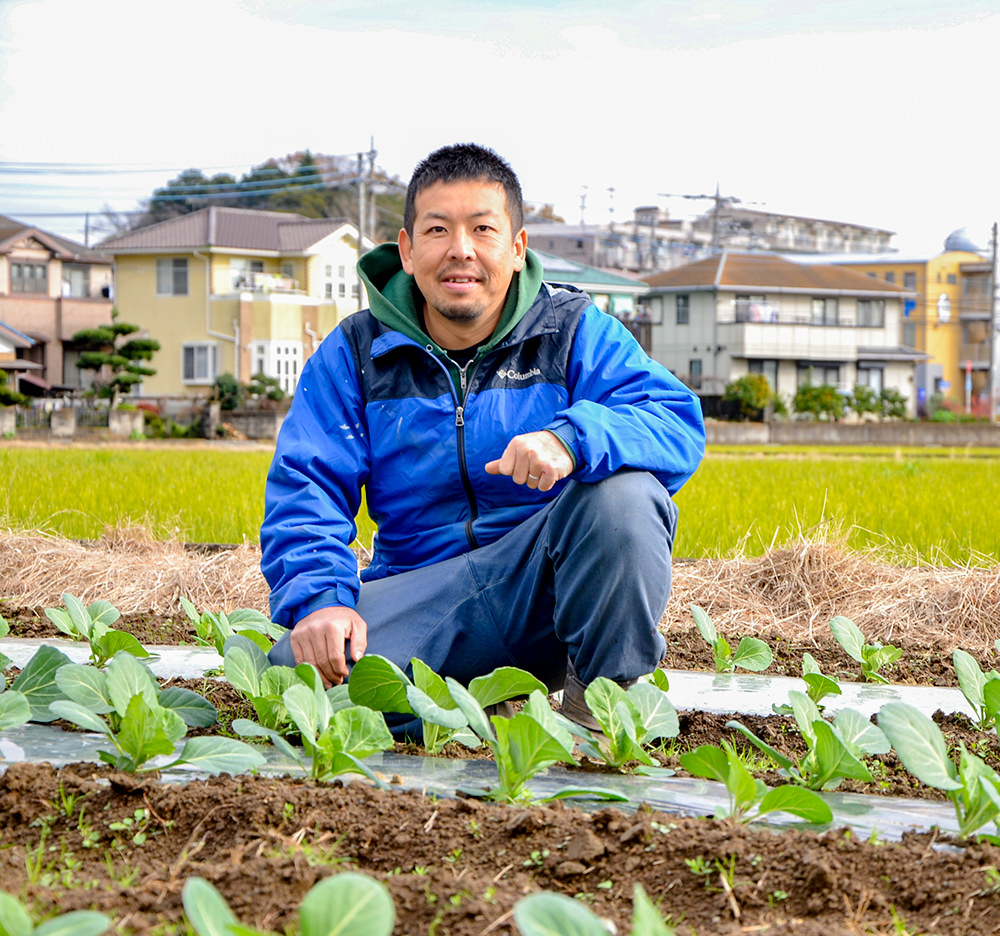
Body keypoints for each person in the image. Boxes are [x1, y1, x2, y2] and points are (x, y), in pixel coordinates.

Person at [260, 143, 706, 731]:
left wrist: (570, 439)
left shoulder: (570, 332)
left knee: (624, 496)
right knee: (300, 680)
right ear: (408, 250)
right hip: (427, 594)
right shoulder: (355, 354)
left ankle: (598, 708)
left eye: (483, 229)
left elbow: (673, 418)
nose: (460, 251)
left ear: (517, 250)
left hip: (544, 592)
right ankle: (478, 708)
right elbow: (307, 485)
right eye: (438, 229)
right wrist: (322, 602)